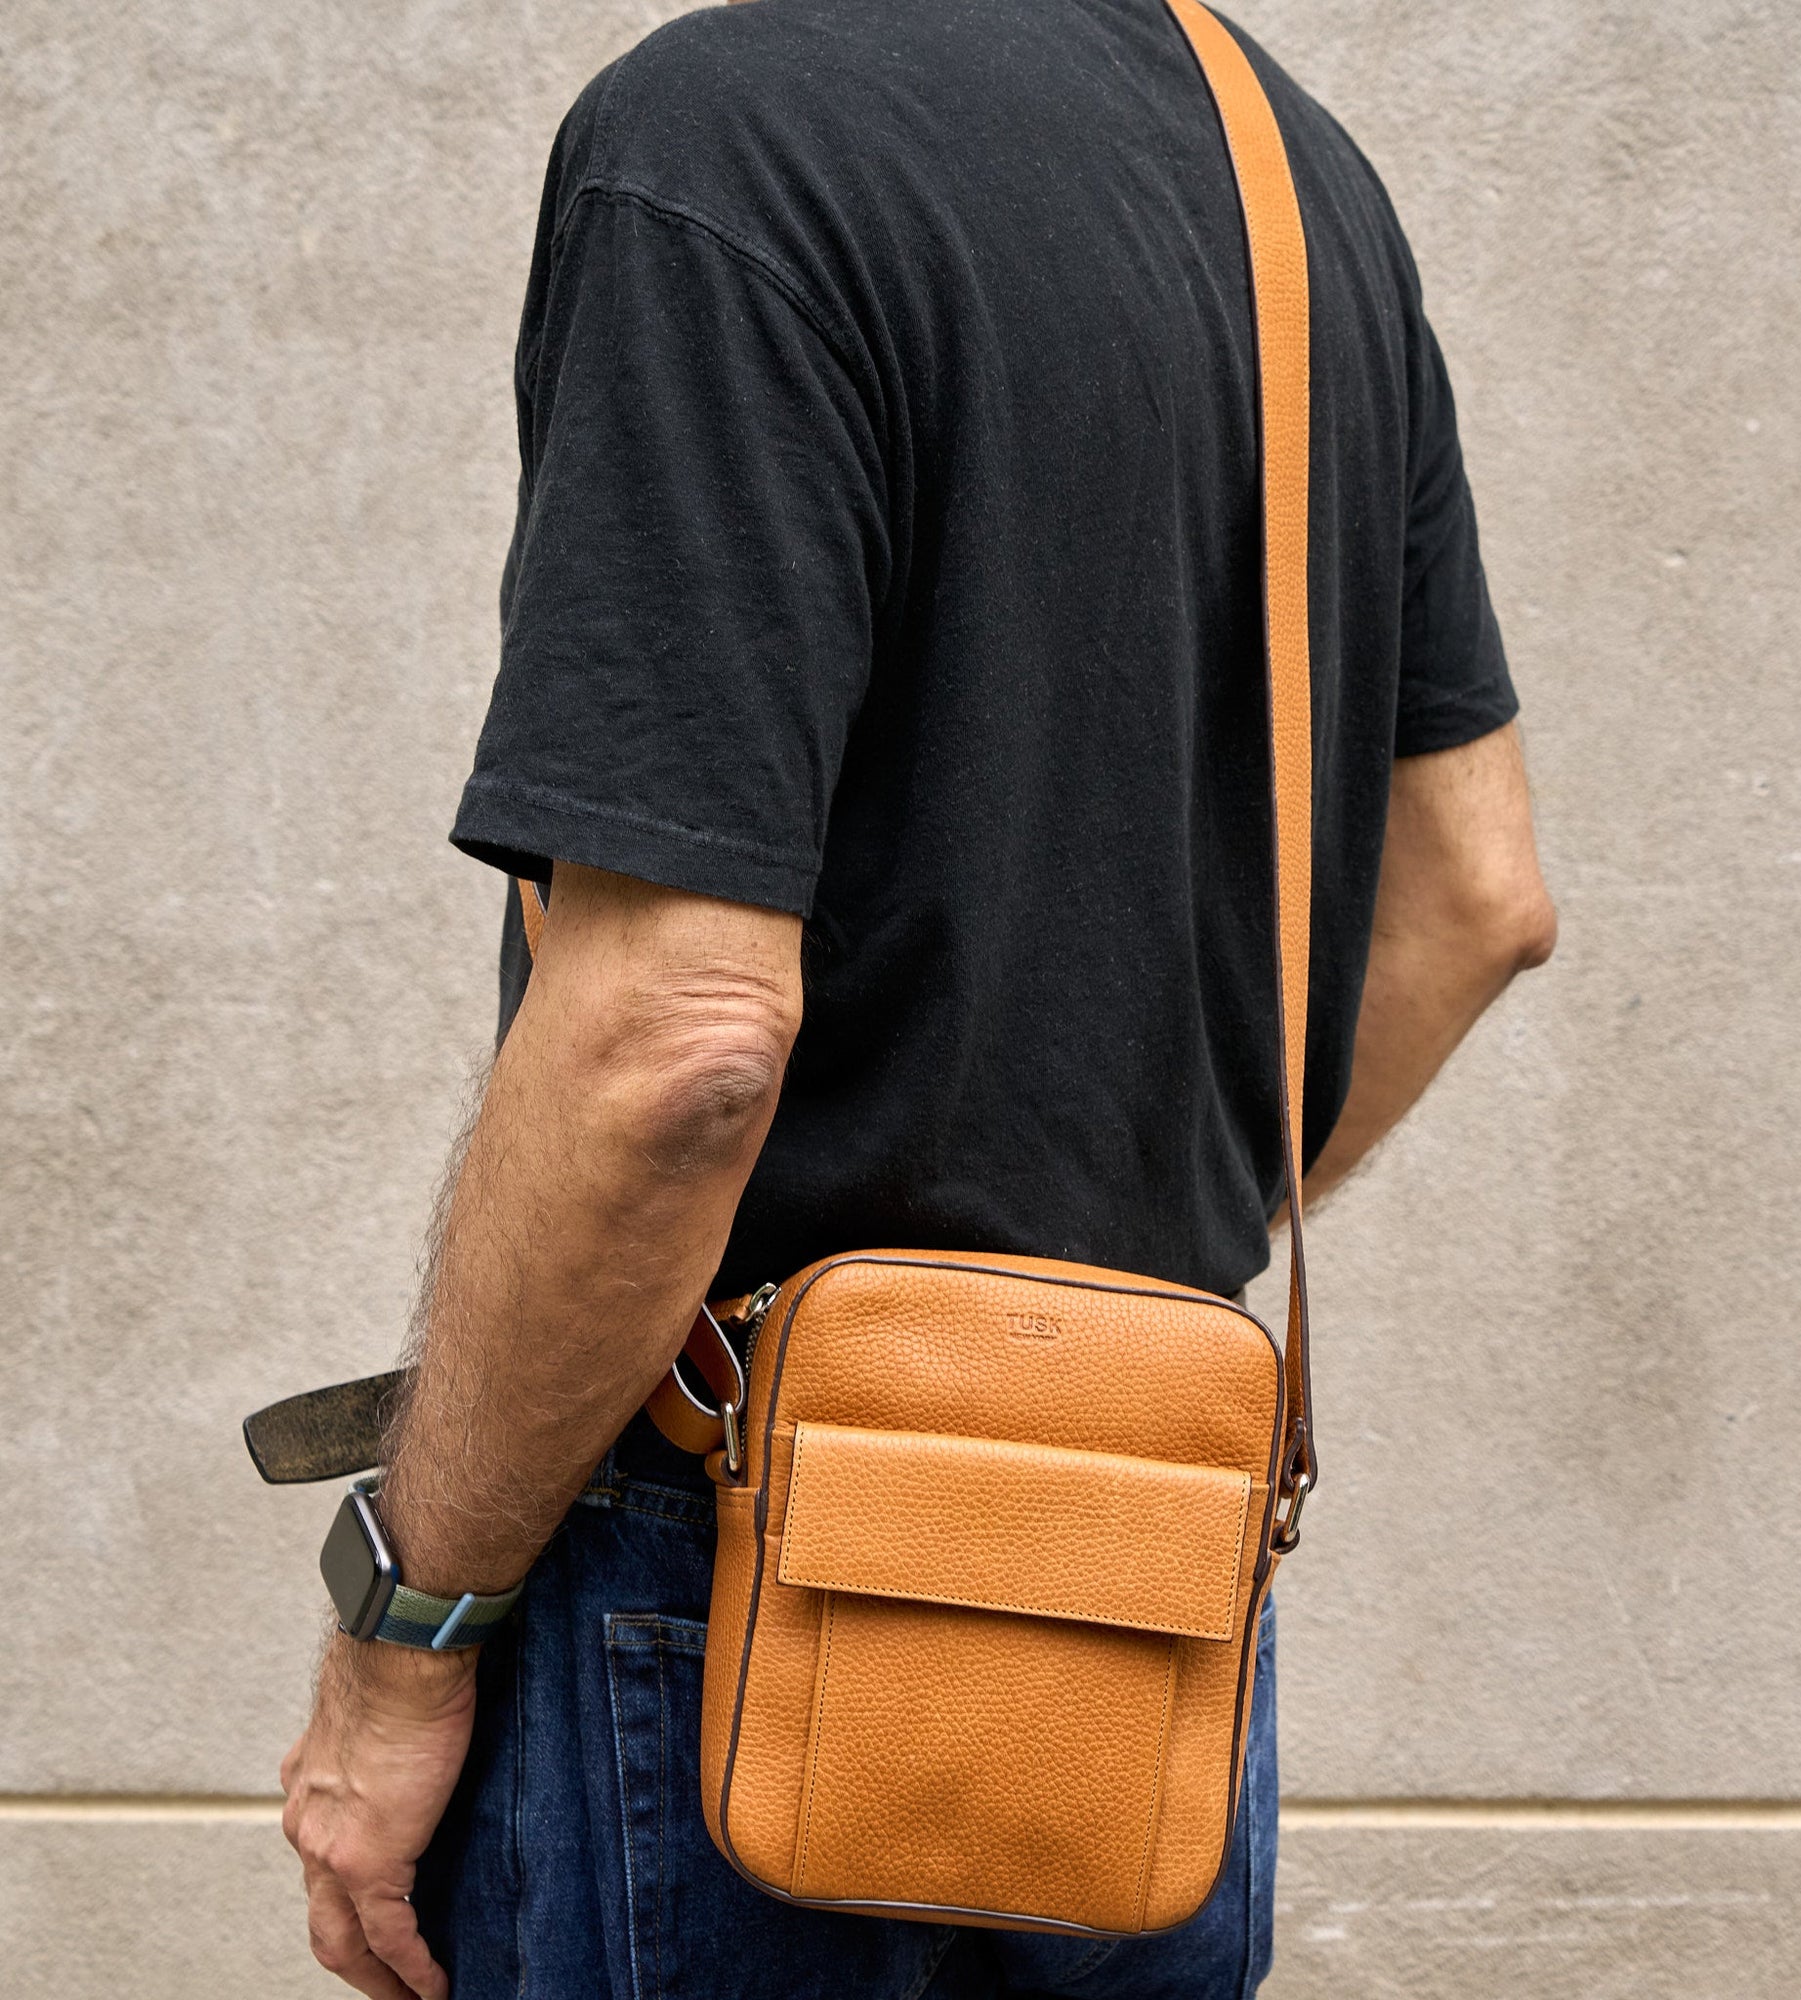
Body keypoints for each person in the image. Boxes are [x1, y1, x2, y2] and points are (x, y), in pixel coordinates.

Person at [276, 0, 1556, 1994]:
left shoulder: (721, 143)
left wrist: (403, 1638)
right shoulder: (1297, 185)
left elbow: (676, 1042)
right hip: (1139, 1582)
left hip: (724, 1574)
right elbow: (1475, 894)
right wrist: (1076, 1309)